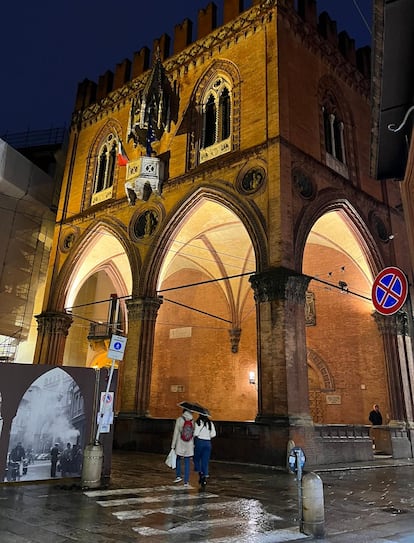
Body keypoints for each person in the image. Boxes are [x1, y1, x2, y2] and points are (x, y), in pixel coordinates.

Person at [171, 409, 194, 487]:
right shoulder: (192, 421)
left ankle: (178, 476)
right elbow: (193, 434)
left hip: (180, 443)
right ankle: (186, 481)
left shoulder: (179, 419)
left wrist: (173, 445)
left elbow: (176, 433)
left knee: (178, 459)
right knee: (187, 461)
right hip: (189, 443)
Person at [193, 414, 216, 487]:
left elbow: (195, 433)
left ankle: (200, 472)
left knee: (196, 458)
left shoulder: (198, 422)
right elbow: (213, 434)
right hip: (208, 443)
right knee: (205, 460)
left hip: (199, 442)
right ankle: (204, 476)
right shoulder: (210, 423)